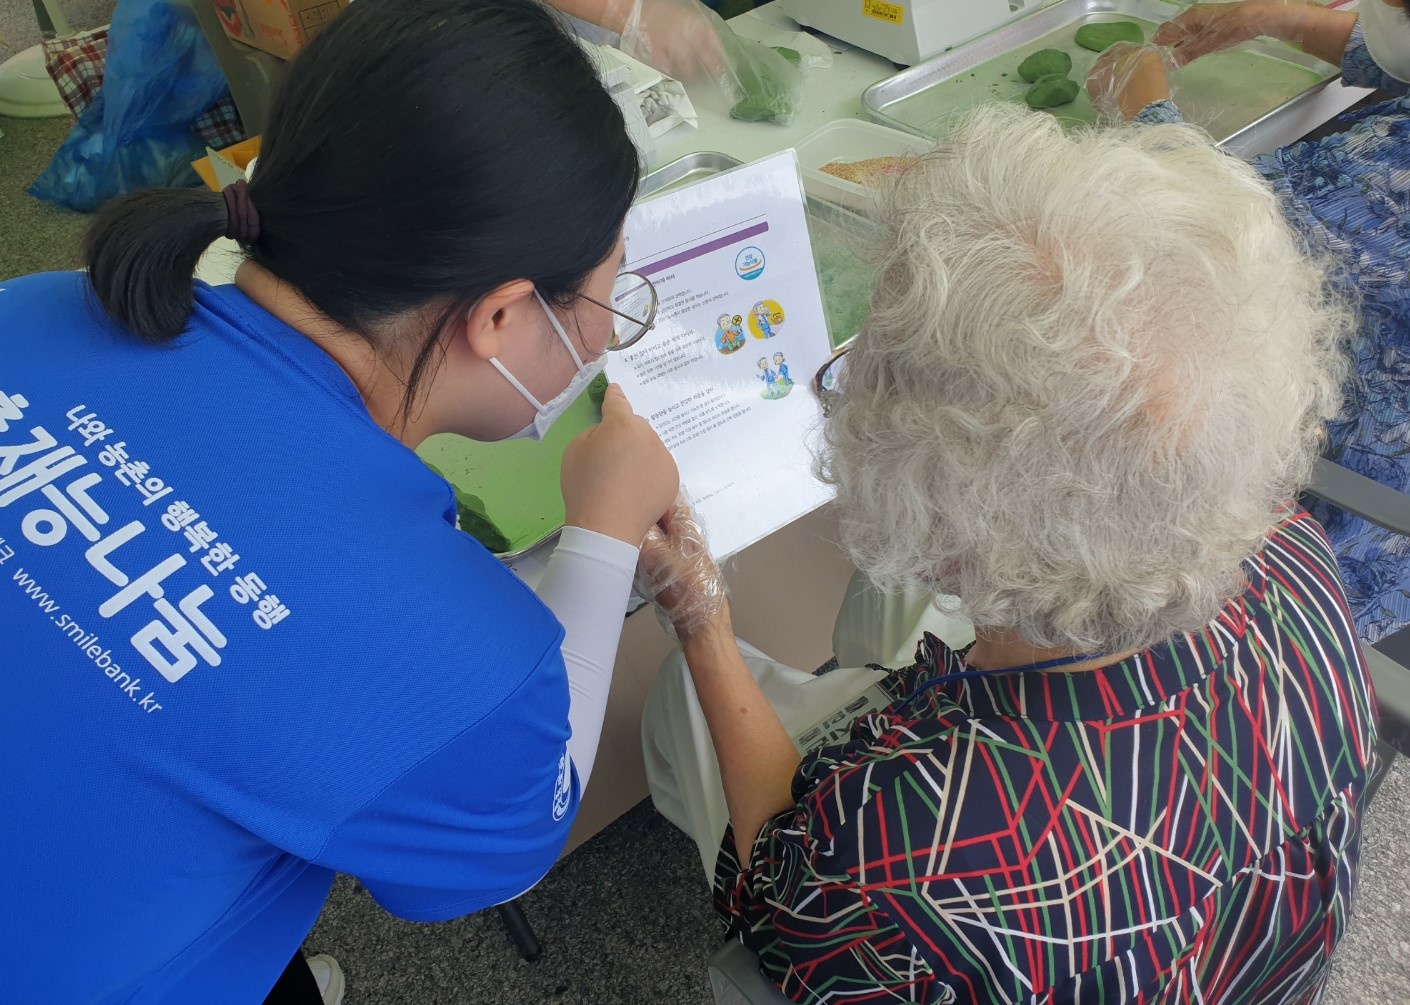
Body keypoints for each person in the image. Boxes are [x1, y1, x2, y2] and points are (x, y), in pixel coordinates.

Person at [0, 2, 679, 1003]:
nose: (601, 340)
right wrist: (605, 532)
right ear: (498, 315)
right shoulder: (464, 659)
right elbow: (505, 848)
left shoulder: (33, 304)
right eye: (606, 305)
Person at [636, 105, 1379, 1003]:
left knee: (678, 701)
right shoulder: (1299, 557)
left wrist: (701, 617)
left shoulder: (905, 854)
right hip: (1256, 967)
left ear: (947, 535)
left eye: (858, 370)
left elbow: (778, 892)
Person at [1087, 0, 1410, 645]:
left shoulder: (1386, 178)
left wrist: (1141, 111)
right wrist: (1294, 23)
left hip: (1348, 537)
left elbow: (1216, 222)